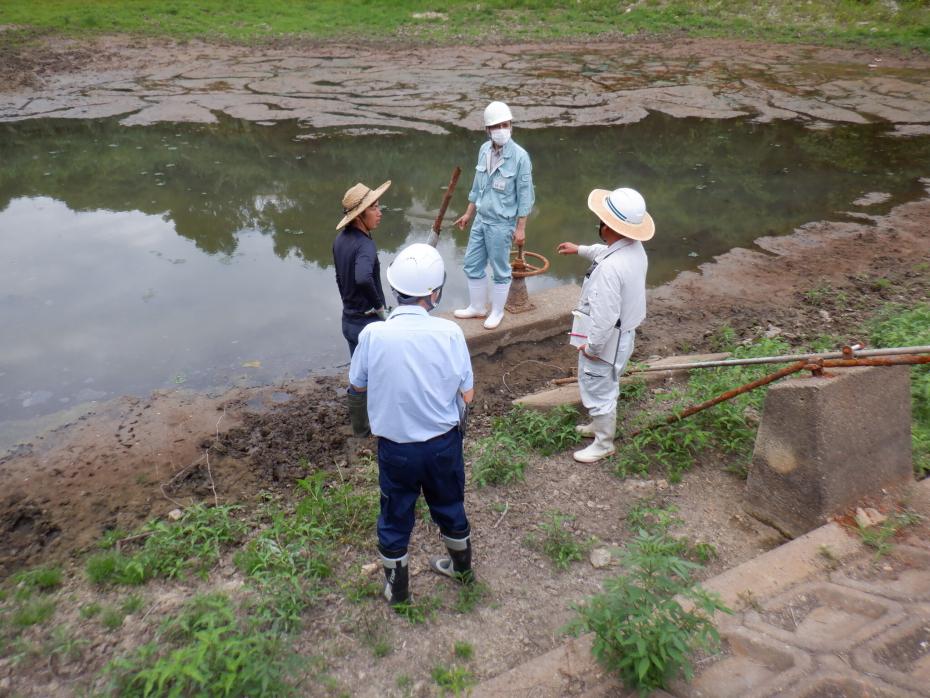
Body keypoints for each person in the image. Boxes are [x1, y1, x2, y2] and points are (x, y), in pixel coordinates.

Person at [349, 243, 476, 606]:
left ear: (394, 289)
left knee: (395, 514)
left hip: (396, 450)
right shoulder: (450, 333)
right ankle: (462, 569)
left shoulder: (373, 335)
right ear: (435, 294)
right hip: (443, 445)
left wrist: (364, 427)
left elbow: (357, 387)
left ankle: (398, 590)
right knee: (450, 504)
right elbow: (468, 395)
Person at [556, 187, 653, 463]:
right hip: (624, 333)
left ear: (608, 226)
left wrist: (592, 347)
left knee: (599, 385)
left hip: (608, 338)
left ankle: (604, 443)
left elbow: (605, 315)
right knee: (606, 382)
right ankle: (599, 426)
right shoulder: (633, 249)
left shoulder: (611, 270)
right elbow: (605, 251)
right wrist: (580, 249)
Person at [453, 101, 535, 330]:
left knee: (500, 269)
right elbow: (477, 185)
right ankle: (478, 307)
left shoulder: (520, 157)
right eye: (496, 126)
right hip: (481, 218)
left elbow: (526, 196)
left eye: (505, 124)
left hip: (502, 222)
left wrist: (520, 228)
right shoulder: (484, 150)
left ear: (511, 126)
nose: (501, 129)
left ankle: (497, 311)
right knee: (471, 263)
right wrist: (468, 213)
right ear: (488, 129)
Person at [333, 180, 391, 357]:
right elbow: (363, 278)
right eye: (373, 208)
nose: (379, 213)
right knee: (376, 379)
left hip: (349, 322)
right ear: (359, 216)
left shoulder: (339, 240)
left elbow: (339, 278)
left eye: (378, 207)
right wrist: (380, 308)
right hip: (368, 326)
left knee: (358, 377)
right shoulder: (365, 245)